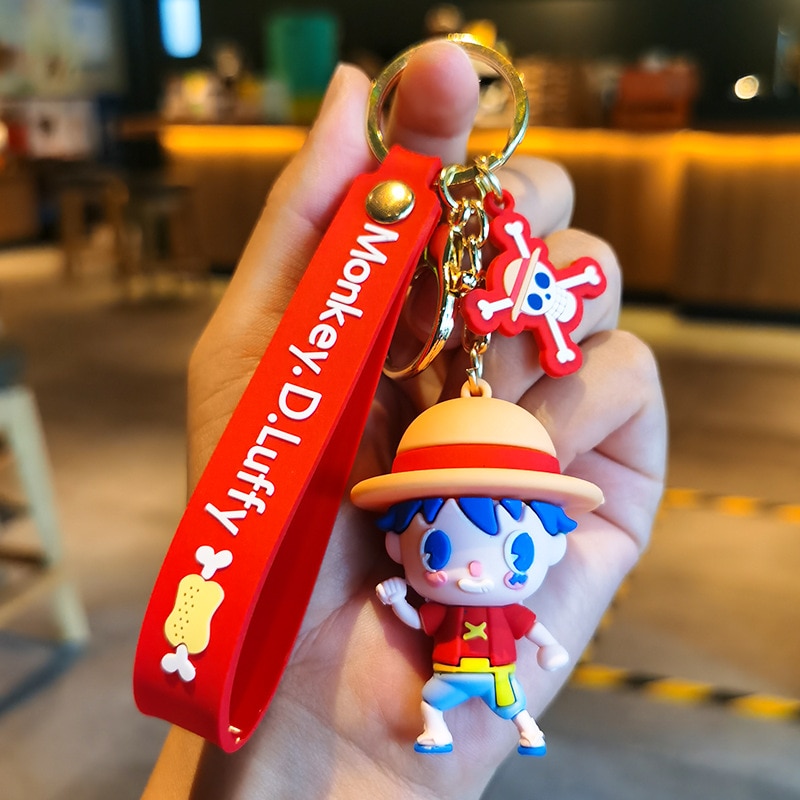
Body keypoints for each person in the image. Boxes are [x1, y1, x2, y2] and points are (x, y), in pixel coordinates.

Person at [142, 38, 666, 800]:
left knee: (503, 698)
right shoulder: (427, 596)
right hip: (368, 655)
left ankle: (509, 721)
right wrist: (296, 740)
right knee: (463, 698)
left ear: (555, 546)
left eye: (516, 553)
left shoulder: (488, 609)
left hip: (470, 676)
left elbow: (529, 630)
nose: (476, 572)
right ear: (397, 542)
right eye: (443, 545)